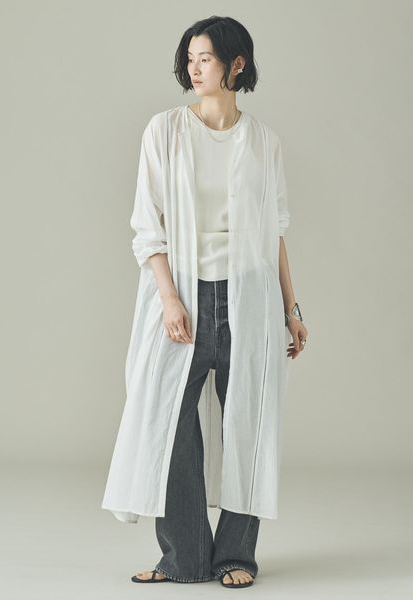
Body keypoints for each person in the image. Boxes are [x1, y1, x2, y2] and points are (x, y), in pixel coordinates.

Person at [104, 15, 308, 589]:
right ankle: (185, 557)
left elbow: (275, 232)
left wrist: (292, 309)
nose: (194, 69)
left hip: (249, 298)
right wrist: (169, 298)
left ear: (235, 64)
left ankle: (236, 556)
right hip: (182, 298)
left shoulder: (263, 142)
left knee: (249, 425)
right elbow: (147, 227)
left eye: (206, 59)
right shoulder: (165, 131)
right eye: (189, 59)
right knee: (168, 425)